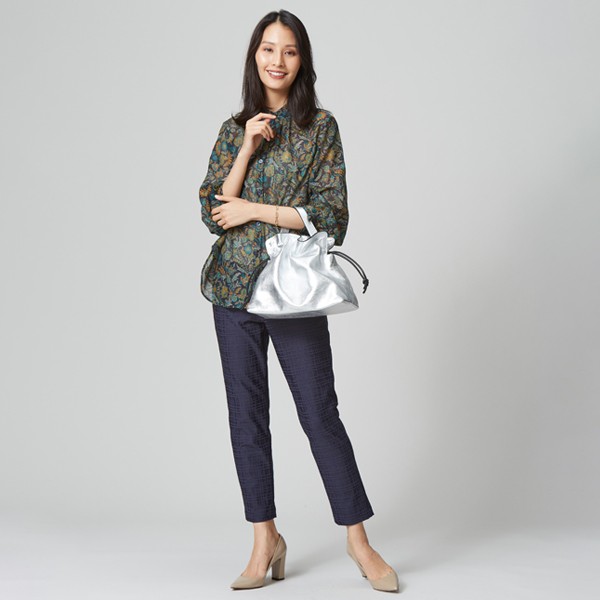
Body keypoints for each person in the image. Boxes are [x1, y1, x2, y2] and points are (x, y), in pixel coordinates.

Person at [198, 9, 399, 593]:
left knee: (318, 413)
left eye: (288, 50)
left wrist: (256, 210)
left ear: (302, 59)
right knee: (246, 418)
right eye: (268, 48)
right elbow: (213, 211)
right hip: (232, 289)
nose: (277, 60)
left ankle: (359, 543)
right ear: (254, 56)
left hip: (293, 289)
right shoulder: (234, 128)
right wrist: (245, 148)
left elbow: (332, 217)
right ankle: (265, 539)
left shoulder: (321, 128)